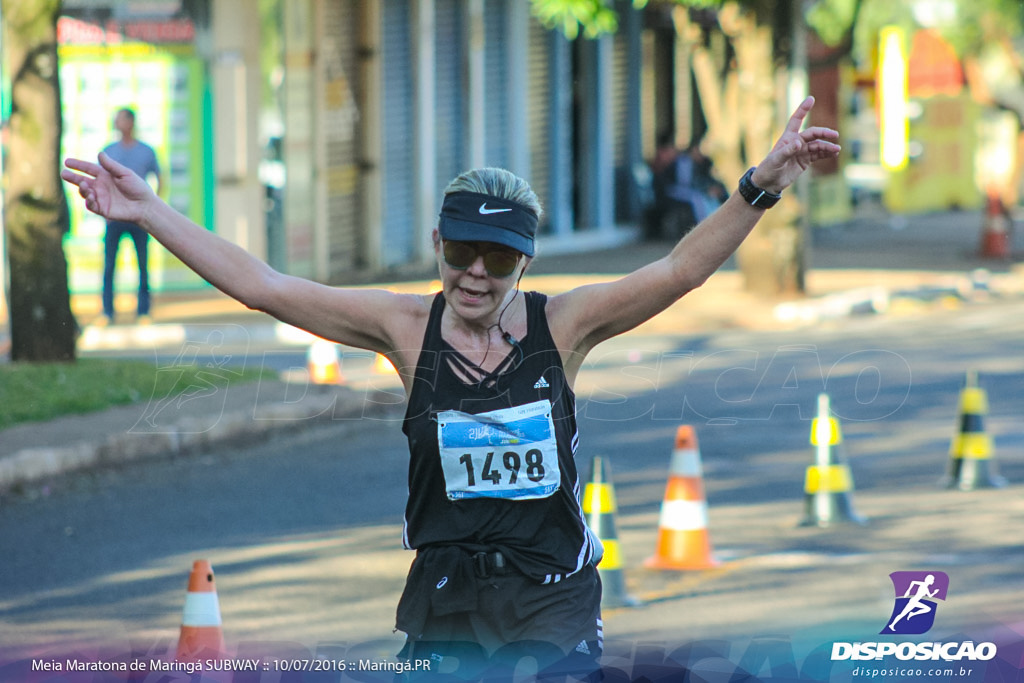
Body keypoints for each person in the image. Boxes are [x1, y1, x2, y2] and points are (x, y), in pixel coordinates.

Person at [62, 96, 839, 679]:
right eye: (462, 250)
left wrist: (760, 185)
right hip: (444, 600)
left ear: (524, 264)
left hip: (552, 598)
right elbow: (265, 285)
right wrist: (151, 211)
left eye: (498, 260)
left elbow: (677, 270)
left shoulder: (561, 327)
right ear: (438, 242)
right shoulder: (404, 329)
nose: (475, 273)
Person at [98, 107, 163, 326]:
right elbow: (100, 183)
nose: (116, 123)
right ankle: (107, 312)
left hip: (139, 219)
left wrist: (153, 207)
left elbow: (159, 177)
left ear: (131, 122)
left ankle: (144, 311)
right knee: (109, 266)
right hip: (114, 219)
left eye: (120, 119)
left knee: (142, 265)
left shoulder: (146, 151)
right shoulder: (108, 151)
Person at [646, 134, 727, 240]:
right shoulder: (680, 162)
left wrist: (709, 188)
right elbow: (675, 182)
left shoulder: (702, 163)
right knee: (697, 199)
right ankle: (702, 229)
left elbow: (702, 180)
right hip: (674, 190)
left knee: (710, 199)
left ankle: (716, 226)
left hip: (693, 191)